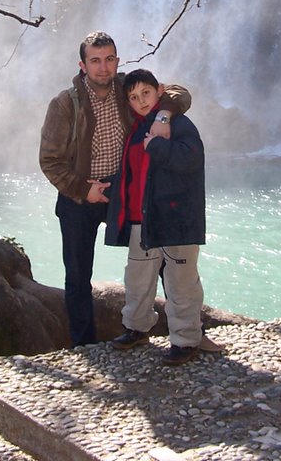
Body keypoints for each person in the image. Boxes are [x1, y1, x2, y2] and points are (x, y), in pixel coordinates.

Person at [39, 32, 190, 348]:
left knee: (156, 255)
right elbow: (50, 161)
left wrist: (163, 114)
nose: (103, 68)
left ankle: (183, 333)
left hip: (124, 189)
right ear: (83, 65)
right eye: (95, 60)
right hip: (79, 196)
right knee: (78, 276)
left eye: (109, 59)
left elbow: (178, 93)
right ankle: (85, 346)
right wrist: (83, 190)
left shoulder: (128, 89)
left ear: (118, 61)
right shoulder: (65, 104)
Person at [105, 68, 206, 366]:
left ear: (159, 91)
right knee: (137, 279)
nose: (141, 101)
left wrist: (158, 145)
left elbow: (191, 158)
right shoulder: (136, 129)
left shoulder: (180, 123)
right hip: (142, 219)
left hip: (175, 220)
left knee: (181, 282)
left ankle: (186, 341)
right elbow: (135, 175)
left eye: (146, 93)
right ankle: (136, 328)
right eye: (134, 97)